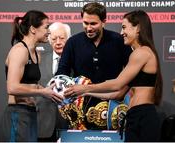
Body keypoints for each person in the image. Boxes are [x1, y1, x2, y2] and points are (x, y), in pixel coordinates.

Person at [64, 10, 163, 142]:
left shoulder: (141, 53)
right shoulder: (141, 53)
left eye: (124, 27)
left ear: (138, 28)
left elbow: (117, 83)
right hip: (137, 116)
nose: (121, 33)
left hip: (143, 117)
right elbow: (117, 94)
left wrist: (85, 88)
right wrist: (86, 94)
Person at [56, 2, 132, 130]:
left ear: (104, 22)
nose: (89, 28)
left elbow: (133, 71)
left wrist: (122, 92)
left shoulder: (118, 40)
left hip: (114, 108)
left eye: (93, 24)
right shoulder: (73, 43)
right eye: (85, 23)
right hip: (80, 110)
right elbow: (61, 73)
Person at [0, 10, 63, 142]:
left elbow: (30, 83)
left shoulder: (36, 54)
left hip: (31, 116)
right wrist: (42, 92)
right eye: (46, 27)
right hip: (17, 116)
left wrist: (47, 89)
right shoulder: (19, 51)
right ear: (33, 29)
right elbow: (12, 88)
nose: (49, 32)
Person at [37, 22, 71, 141]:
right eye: (54, 38)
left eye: (62, 38)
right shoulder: (39, 59)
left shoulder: (77, 61)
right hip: (43, 122)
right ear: (49, 40)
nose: (58, 42)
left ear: (69, 39)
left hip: (69, 123)